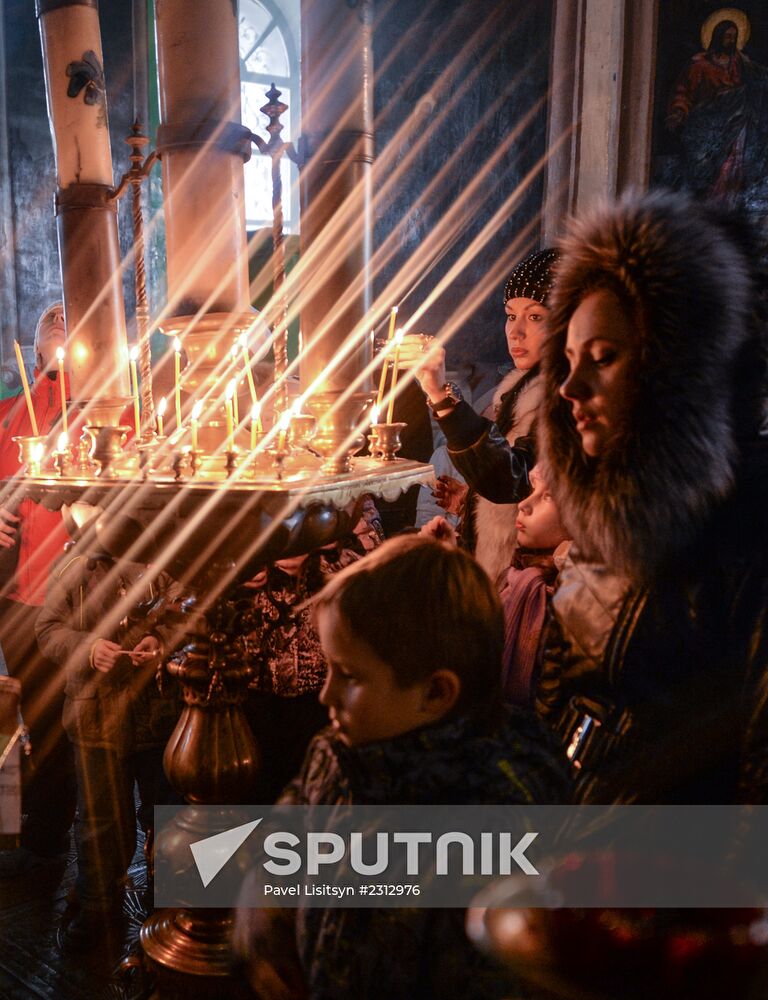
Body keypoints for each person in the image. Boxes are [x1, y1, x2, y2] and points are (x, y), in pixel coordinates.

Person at [232, 535, 566, 1000]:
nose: (325, 695)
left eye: (348, 676)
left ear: (435, 693)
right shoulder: (339, 749)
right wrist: (265, 916)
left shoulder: (497, 821)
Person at [534, 189, 768, 804]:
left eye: (603, 358)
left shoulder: (748, 525)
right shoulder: (603, 505)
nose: (569, 386)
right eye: (567, 358)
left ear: (676, 374)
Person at [35, 538, 182, 949]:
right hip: (94, 715)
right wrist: (90, 649)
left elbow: (183, 613)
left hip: (156, 712)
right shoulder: (74, 566)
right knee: (100, 821)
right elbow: (47, 628)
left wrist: (159, 641)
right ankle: (98, 908)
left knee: (166, 813)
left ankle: (171, 907)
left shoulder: (163, 558)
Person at [417, 249, 558, 585]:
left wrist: (442, 399)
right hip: (498, 576)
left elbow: (513, 481)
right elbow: (512, 492)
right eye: (511, 315)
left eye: (535, 317)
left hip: (529, 582)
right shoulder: (520, 390)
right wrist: (470, 505)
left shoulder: (561, 399)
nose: (516, 331)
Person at [0, 302, 75, 867]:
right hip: (18, 595)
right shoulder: (6, 414)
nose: (56, 315)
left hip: (76, 591)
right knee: (41, 719)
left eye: (69, 312)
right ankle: (45, 835)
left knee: (85, 722)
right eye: (48, 315)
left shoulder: (111, 406)